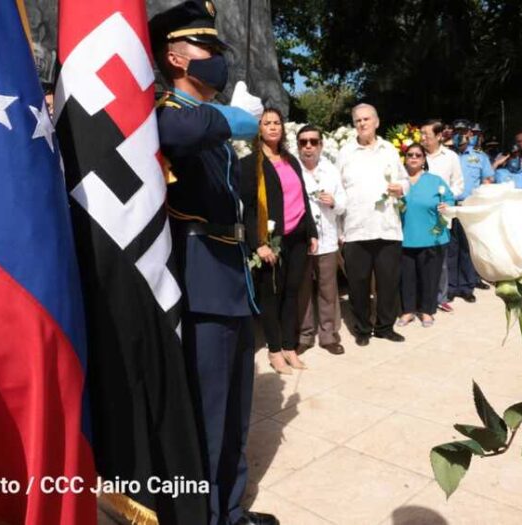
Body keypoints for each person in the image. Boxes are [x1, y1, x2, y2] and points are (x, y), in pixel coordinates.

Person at [149, 2, 279, 524]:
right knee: (208, 413)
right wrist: (236, 118)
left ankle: (227, 509)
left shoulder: (206, 122)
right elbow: (178, 134)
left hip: (230, 273)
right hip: (199, 277)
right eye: (209, 51)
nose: (219, 62)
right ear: (177, 57)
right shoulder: (166, 112)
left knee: (235, 412)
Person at [242, 109, 318, 374]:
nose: (273, 127)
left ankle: (289, 347)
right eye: (267, 123)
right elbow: (248, 209)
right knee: (270, 295)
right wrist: (258, 244)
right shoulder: (251, 163)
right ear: (259, 129)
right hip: (270, 240)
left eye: (277, 123)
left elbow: (303, 198)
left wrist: (312, 232)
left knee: (292, 293)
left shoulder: (291, 160)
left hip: (297, 237)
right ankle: (274, 351)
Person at [338, 103, 408, 346]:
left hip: (387, 227)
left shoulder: (389, 150)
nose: (362, 123)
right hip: (356, 228)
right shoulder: (345, 153)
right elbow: (338, 191)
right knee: (358, 284)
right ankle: (363, 328)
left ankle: (385, 327)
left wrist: (402, 188)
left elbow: (405, 180)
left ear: (377, 122)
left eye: (367, 119)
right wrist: (339, 230)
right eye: (357, 120)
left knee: (388, 282)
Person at [296, 124, 347, 355]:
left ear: (321, 145)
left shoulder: (331, 170)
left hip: (326, 241)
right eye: (303, 142)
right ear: (297, 146)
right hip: (300, 241)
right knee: (302, 290)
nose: (308, 146)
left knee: (328, 290)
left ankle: (328, 335)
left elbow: (344, 204)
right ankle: (305, 335)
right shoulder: (292, 169)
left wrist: (334, 201)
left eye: (313, 142)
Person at [397, 144, 455, 328]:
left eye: (418, 155)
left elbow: (449, 199)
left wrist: (445, 207)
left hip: (432, 236)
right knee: (407, 278)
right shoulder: (398, 181)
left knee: (429, 277)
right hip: (405, 237)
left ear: (423, 160)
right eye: (410, 154)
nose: (414, 158)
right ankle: (407, 311)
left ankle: (427, 311)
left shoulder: (435, 180)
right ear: (405, 158)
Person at [447, 119, 494, 303]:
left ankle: (466, 287)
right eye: (456, 131)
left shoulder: (479, 157)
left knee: (467, 248)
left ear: (470, 133)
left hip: (469, 206)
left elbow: (487, 180)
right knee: (451, 248)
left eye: (463, 131)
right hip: (450, 206)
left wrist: (480, 202)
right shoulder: (447, 155)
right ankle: (451, 287)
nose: (460, 134)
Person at [420, 120, 463, 313]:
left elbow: (459, 184)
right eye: (421, 134)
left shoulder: (451, 157)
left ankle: (441, 296)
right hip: (418, 215)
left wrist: (446, 197)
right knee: (418, 255)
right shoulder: (416, 155)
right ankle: (421, 297)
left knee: (440, 258)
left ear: (439, 136)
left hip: (441, 214)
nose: (422, 138)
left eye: (426, 135)